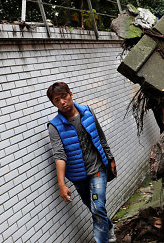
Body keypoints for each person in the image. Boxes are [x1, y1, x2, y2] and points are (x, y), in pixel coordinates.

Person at [46, 82, 117, 243]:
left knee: (98, 207)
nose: (62, 102)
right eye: (56, 100)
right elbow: (59, 156)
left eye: (63, 97)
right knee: (95, 209)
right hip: (78, 177)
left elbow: (100, 136)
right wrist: (61, 184)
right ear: (54, 104)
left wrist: (110, 158)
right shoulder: (54, 126)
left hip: (97, 168)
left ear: (70, 94)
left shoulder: (87, 112)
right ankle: (109, 226)